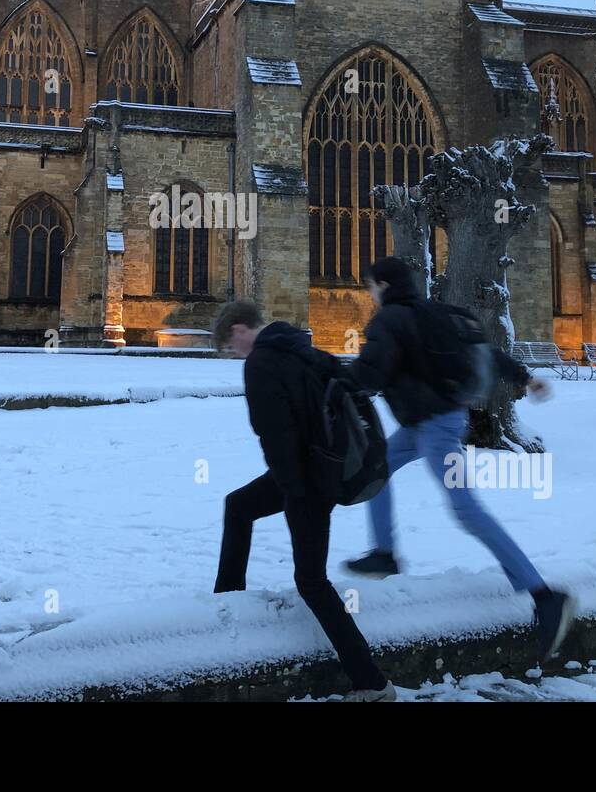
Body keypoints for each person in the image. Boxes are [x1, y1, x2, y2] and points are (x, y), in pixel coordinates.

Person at [343, 256, 576, 659]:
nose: (369, 293)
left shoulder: (390, 320)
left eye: (369, 286)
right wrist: (524, 377)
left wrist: (328, 381)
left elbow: (370, 374)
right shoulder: (438, 313)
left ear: (380, 285)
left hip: (435, 429)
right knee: (373, 468)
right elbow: (483, 351)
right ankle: (384, 553)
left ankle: (544, 595)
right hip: (430, 422)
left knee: (466, 510)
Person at [212, 299, 396, 702]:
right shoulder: (306, 349)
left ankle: (372, 682)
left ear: (240, 329)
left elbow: (274, 435)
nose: (233, 352)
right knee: (239, 505)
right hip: (315, 471)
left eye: (230, 344)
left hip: (307, 483)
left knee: (311, 581)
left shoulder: (260, 363)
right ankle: (228, 599)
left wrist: (295, 492)